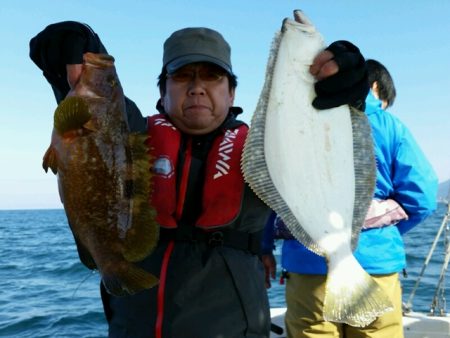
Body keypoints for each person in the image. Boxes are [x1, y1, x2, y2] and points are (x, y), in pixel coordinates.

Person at [30, 19, 370, 338]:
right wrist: (74, 45)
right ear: (162, 90)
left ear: (232, 93)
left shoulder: (265, 150)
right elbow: (95, 115)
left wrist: (345, 96)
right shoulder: (129, 134)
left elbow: (321, 146)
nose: (196, 88)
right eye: (182, 76)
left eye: (212, 76)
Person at [262, 59, 439, 338]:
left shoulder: (298, 125)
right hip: (375, 266)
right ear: (375, 86)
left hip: (308, 266)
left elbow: (273, 191)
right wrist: (382, 233)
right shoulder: (388, 125)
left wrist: (263, 245)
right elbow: (423, 198)